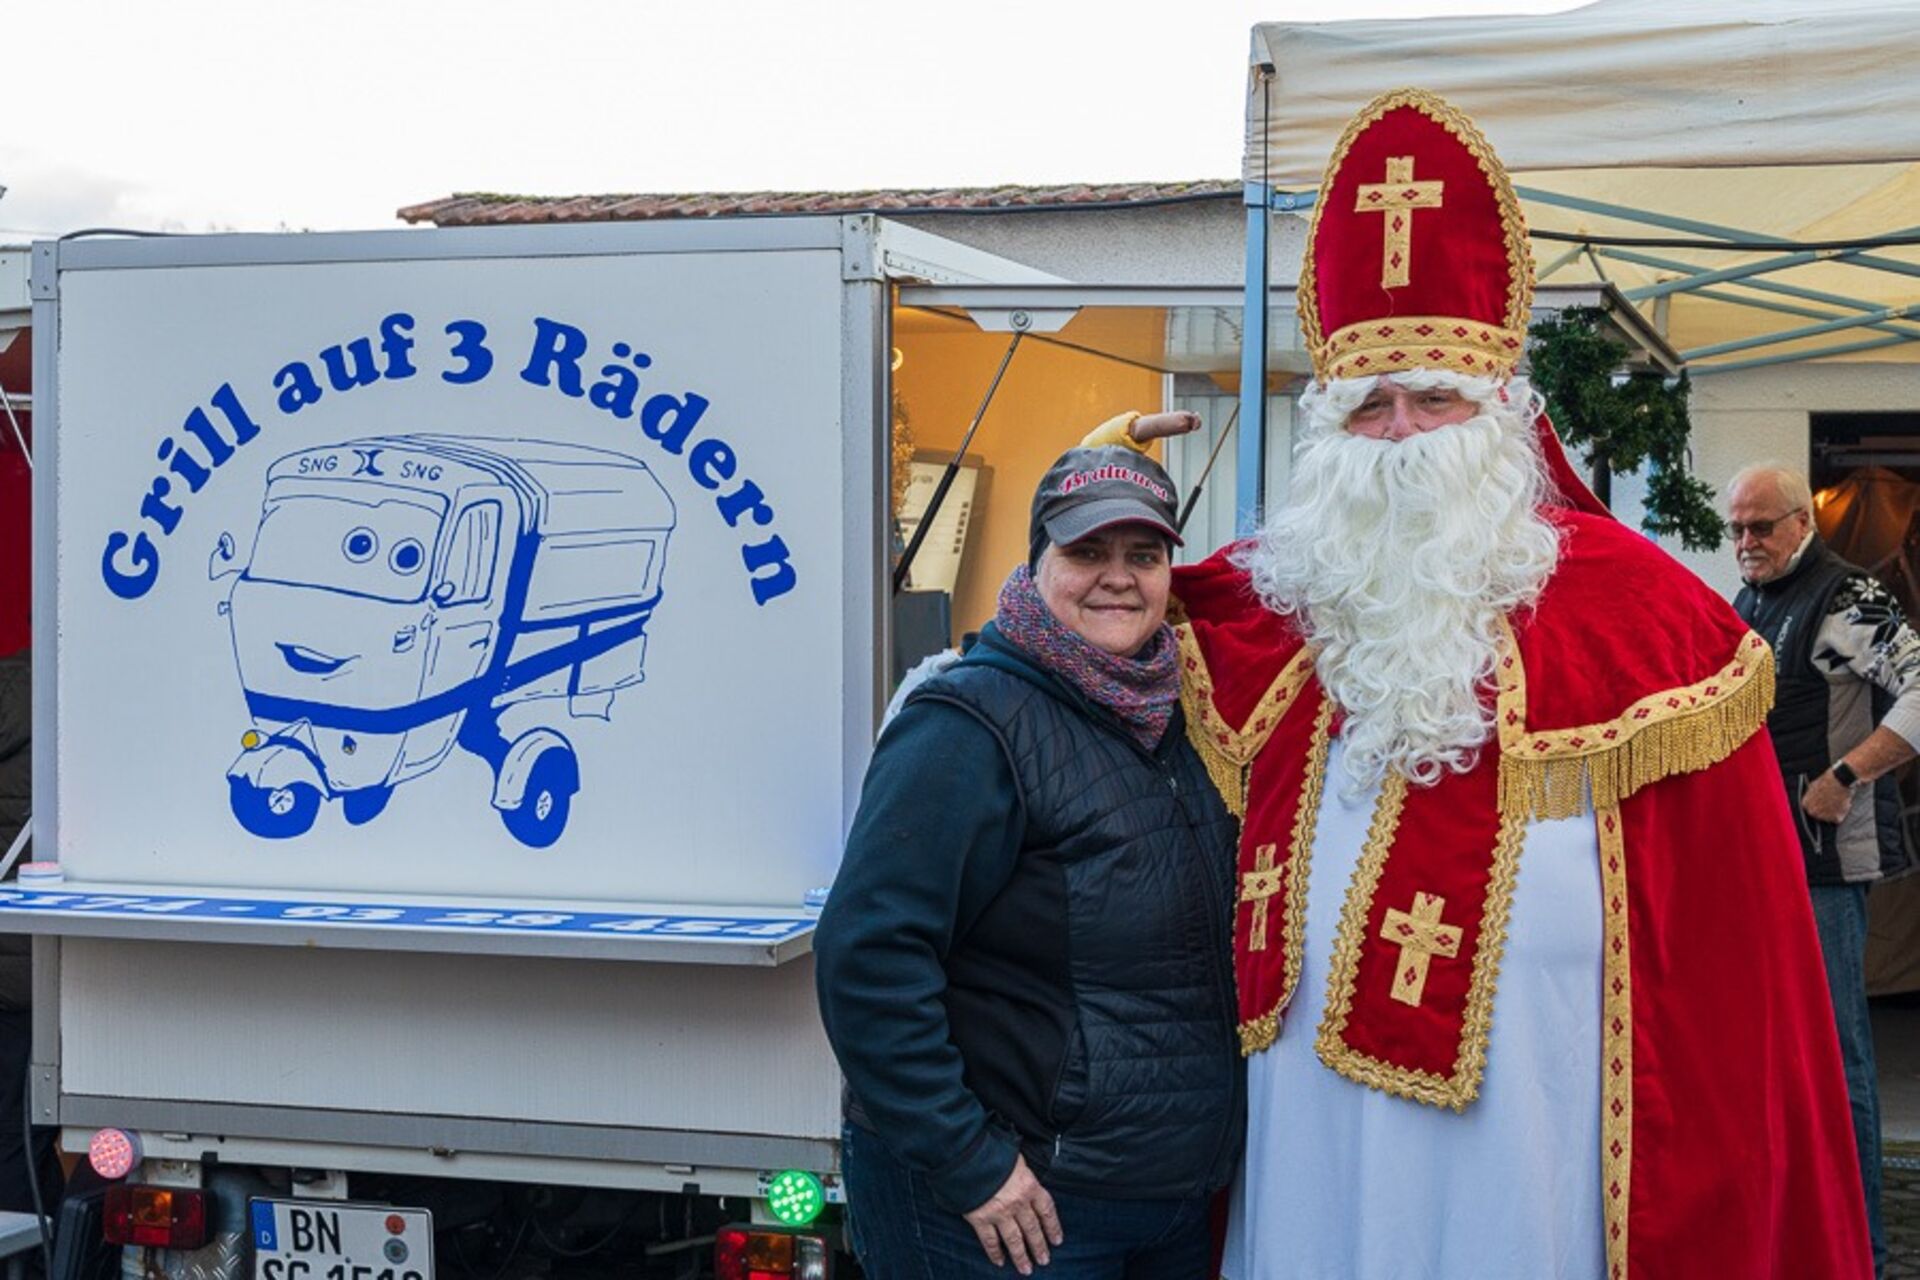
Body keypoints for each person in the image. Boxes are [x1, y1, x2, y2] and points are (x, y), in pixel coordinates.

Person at [1087, 88, 1870, 1278]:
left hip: (1541, 1110)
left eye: (1436, 397)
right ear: (1330, 427)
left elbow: (1732, 973)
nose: (1403, 431)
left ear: (1501, 410)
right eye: (1370, 402)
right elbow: (1102, 606)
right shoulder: (1283, 591)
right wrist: (1095, 494)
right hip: (1308, 1123)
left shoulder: (1654, 623)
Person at [815, 447, 1243, 1278]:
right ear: (1037, 560)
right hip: (1017, 1209)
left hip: (1166, 1204)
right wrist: (967, 1159)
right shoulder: (966, 724)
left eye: (1143, 555)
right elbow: (867, 956)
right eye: (1087, 551)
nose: (1117, 578)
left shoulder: (1187, 718)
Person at [1729, 462, 1919, 1276]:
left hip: (1826, 868)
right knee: (1774, 1060)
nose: (1746, 541)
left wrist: (1847, 777)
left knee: (1841, 1063)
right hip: (1764, 864)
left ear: (1802, 523)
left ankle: (1861, 1253)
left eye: (1762, 526)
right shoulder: (1751, 600)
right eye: (1737, 528)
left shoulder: (1847, 597)